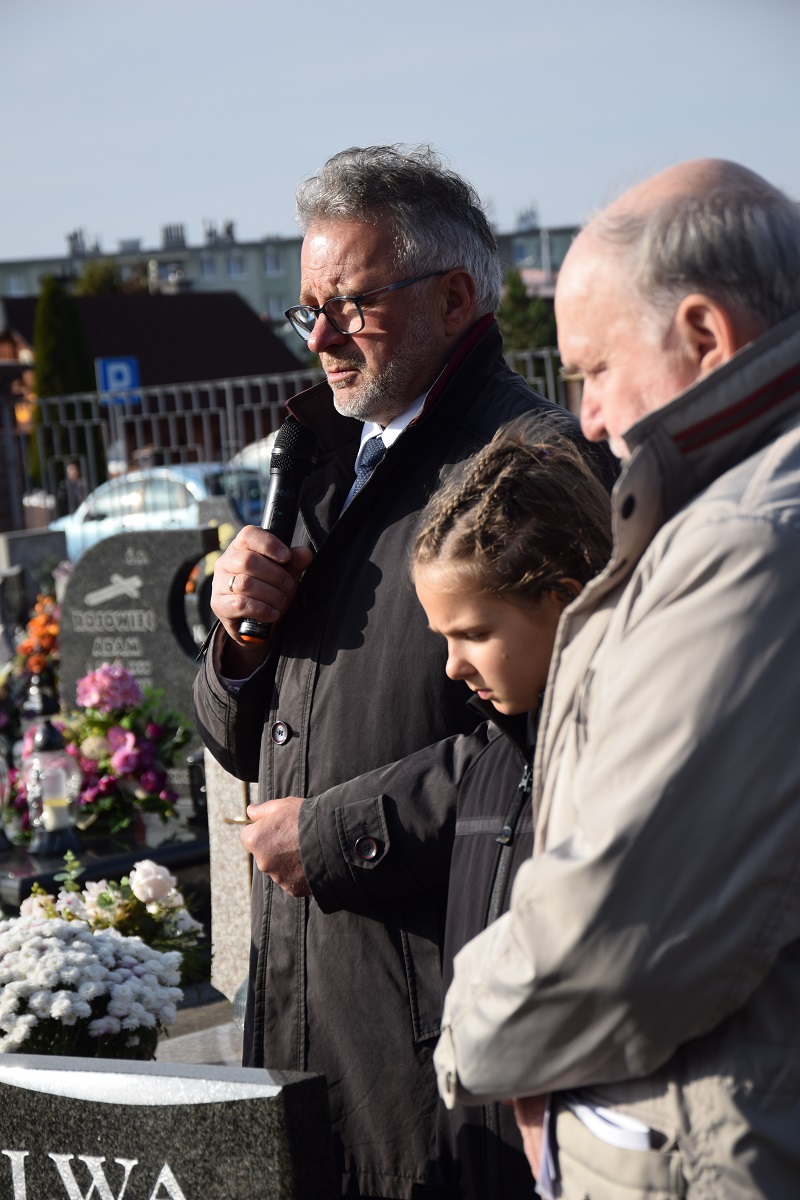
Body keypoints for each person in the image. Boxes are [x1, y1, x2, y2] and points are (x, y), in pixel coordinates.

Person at [193, 145, 606, 1199]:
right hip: (308, 1008)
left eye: (352, 304)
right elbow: (241, 733)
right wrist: (236, 642)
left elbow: (561, 734)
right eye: (308, 311)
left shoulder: (530, 464)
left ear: (454, 296)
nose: (322, 338)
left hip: (431, 1022)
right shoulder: (321, 460)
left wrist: (330, 834)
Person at [434, 158, 800, 1199]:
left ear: (703, 335)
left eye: (592, 370)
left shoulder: (746, 545)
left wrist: (467, 1036)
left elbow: (623, 924)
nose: (586, 418)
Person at [271, 417, 611, 1198]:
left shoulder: (618, 758)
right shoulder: (495, 763)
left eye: (474, 634)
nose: (453, 667)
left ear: (564, 601)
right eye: (441, 639)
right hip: (485, 1149)